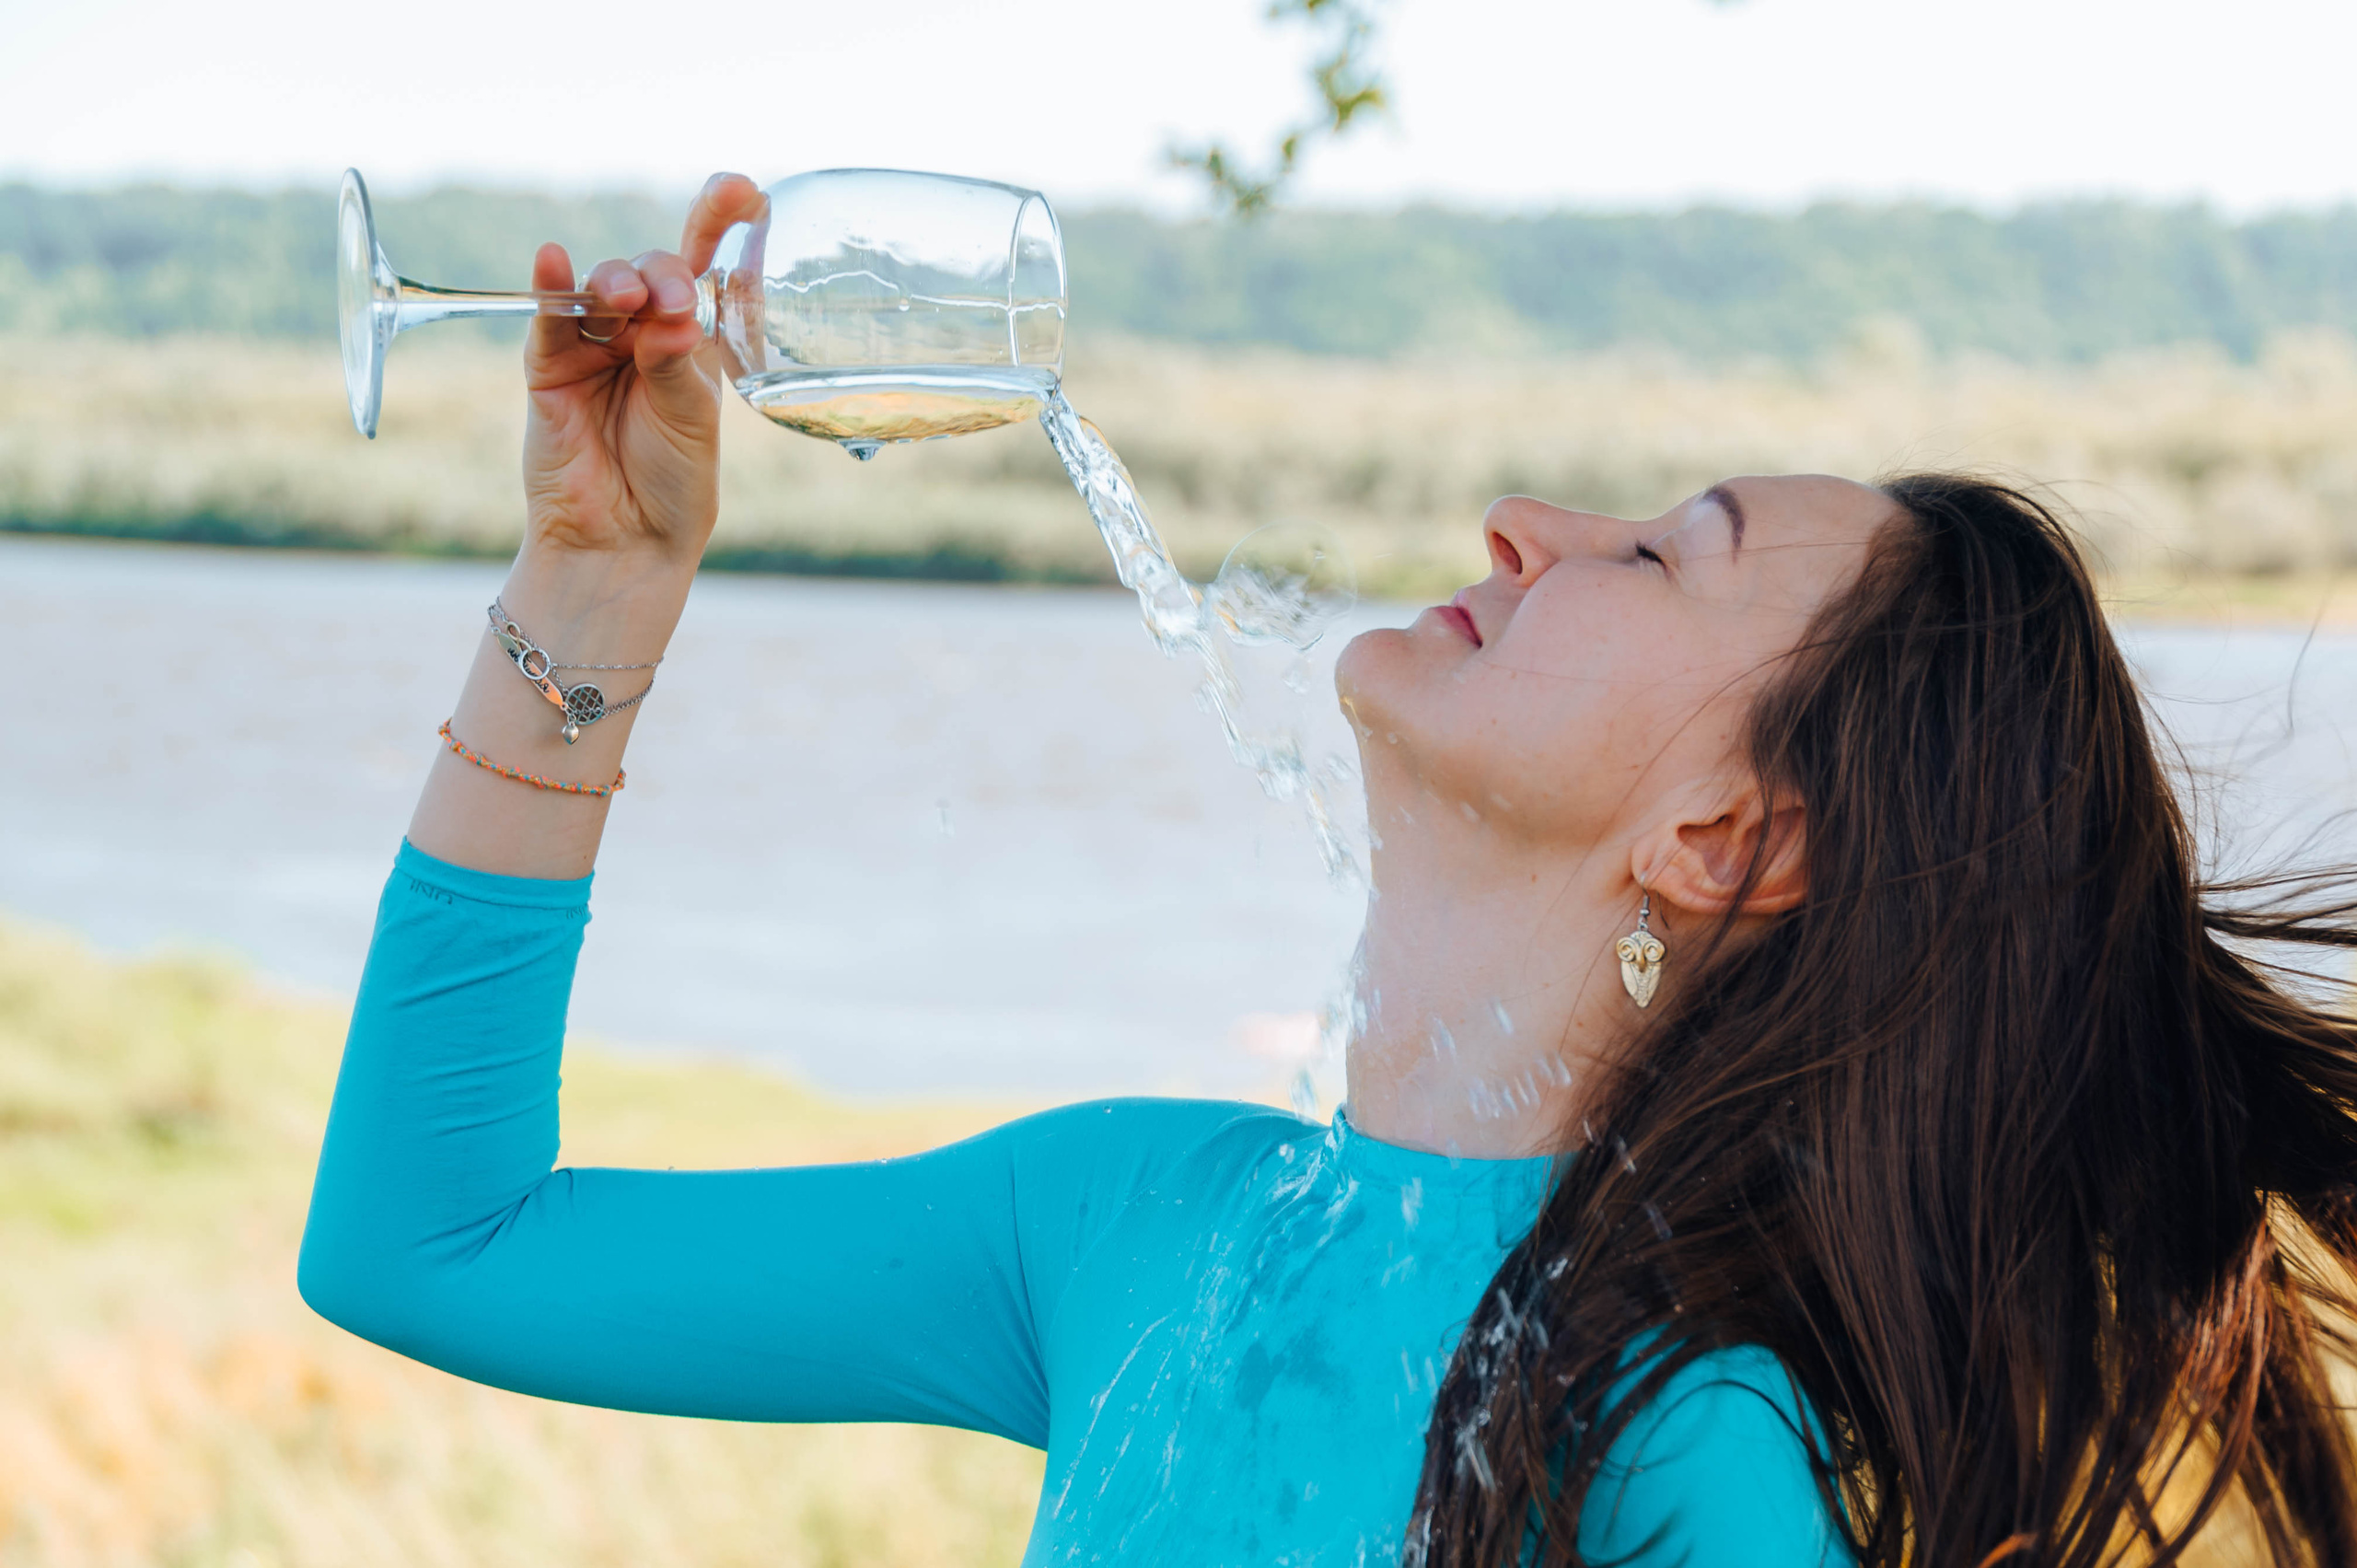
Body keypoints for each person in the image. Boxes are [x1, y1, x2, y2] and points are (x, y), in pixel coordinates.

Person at [299, 176, 2357, 1567]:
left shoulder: (1667, 1439)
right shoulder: (1117, 1216)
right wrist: (595, 581)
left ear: (1723, 838)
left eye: (1654, 553)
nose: (1518, 522)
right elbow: (426, 1245)